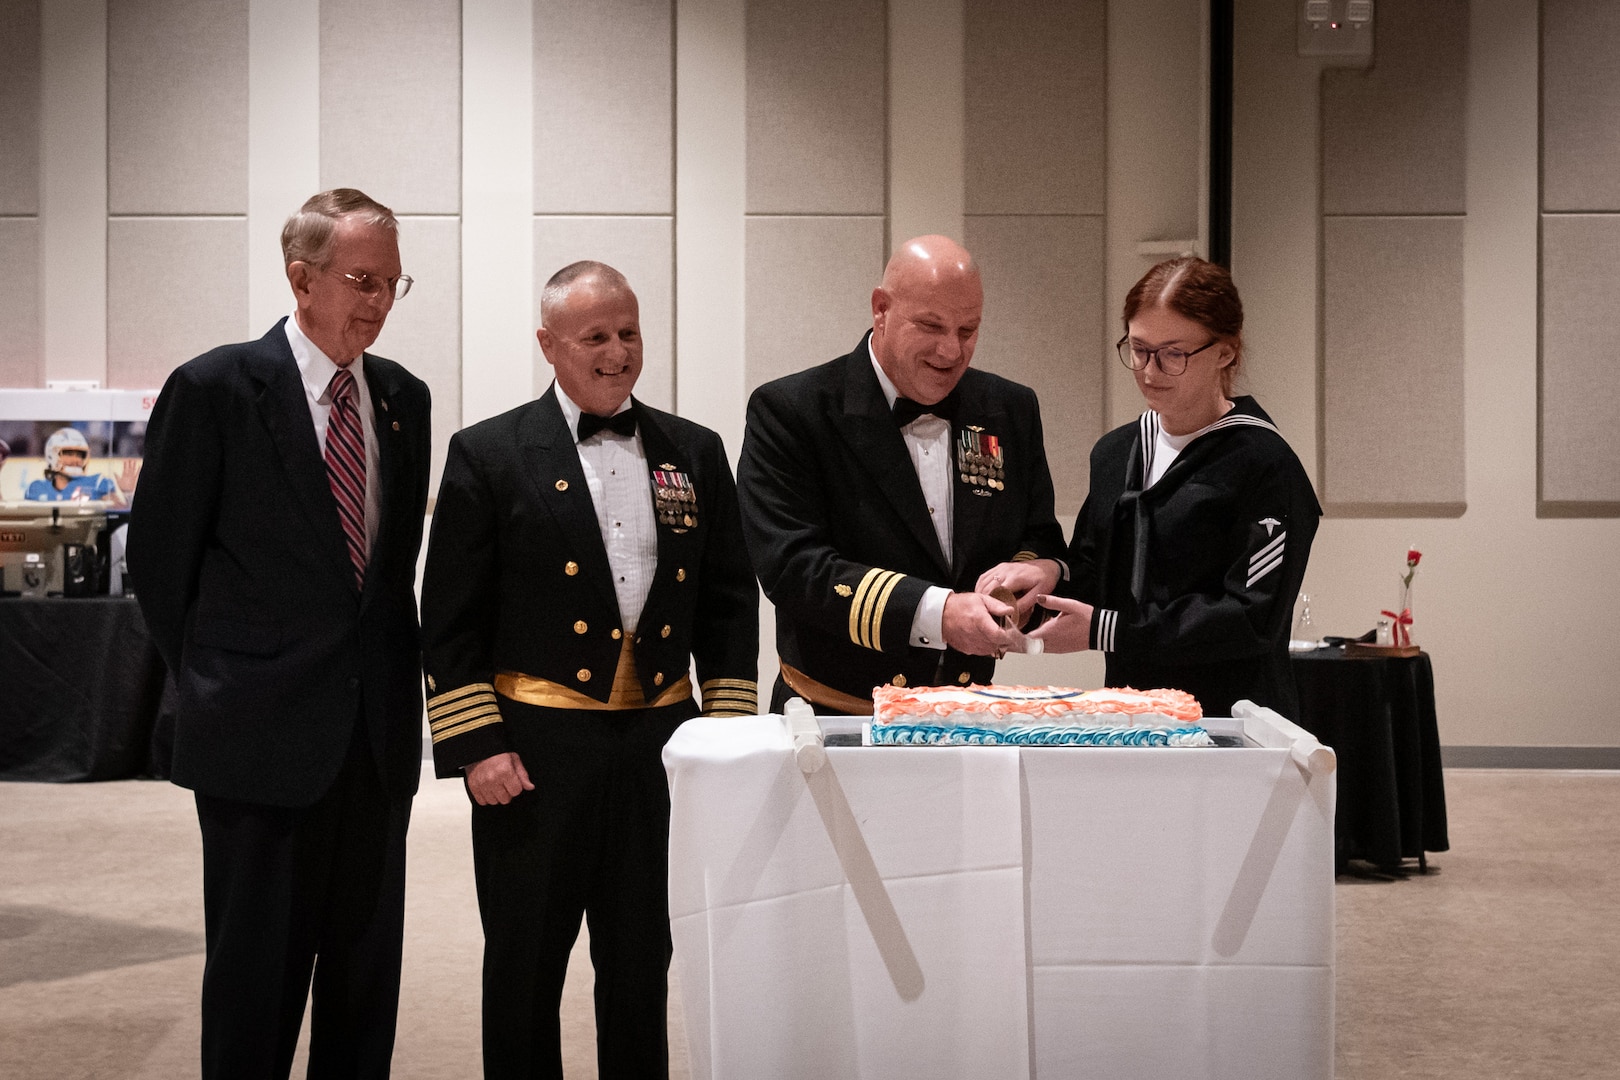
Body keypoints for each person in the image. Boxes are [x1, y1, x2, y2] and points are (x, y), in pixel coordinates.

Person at [420, 261, 758, 1079]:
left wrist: (728, 736)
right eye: (596, 336)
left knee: (642, 962)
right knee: (526, 965)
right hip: (534, 752)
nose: (618, 353)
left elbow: (727, 602)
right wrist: (477, 746)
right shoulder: (490, 452)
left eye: (630, 332)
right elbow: (449, 617)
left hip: (657, 749)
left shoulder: (695, 451)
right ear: (549, 344)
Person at [128, 188, 431, 1079]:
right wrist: (225, 681)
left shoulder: (404, 399)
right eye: (360, 279)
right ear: (301, 278)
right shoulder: (215, 389)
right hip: (255, 744)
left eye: (392, 283)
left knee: (363, 990)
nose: (376, 301)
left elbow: (388, 574)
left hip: (373, 744)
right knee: (255, 990)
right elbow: (160, 565)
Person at [737, 235, 1067, 713]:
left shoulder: (1008, 409)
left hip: (967, 716)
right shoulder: (793, 411)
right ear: (880, 309)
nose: (950, 350)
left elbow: (1039, 536)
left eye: (968, 330)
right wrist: (938, 613)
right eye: (930, 326)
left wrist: (1032, 573)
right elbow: (793, 568)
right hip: (837, 720)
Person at [1008, 256, 1321, 718]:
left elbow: (1250, 618)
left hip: (1231, 721)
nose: (1150, 371)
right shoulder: (1117, 453)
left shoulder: (1265, 465)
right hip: (1133, 715)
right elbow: (1095, 568)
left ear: (1225, 352)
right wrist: (1051, 574)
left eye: (1174, 354)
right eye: (1138, 349)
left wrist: (1108, 631)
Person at [24, 427, 126, 504]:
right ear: (52, 455)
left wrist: (127, 494)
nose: (76, 460)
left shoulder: (98, 483)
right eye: (69, 454)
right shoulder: (36, 488)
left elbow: (119, 519)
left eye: (80, 455)